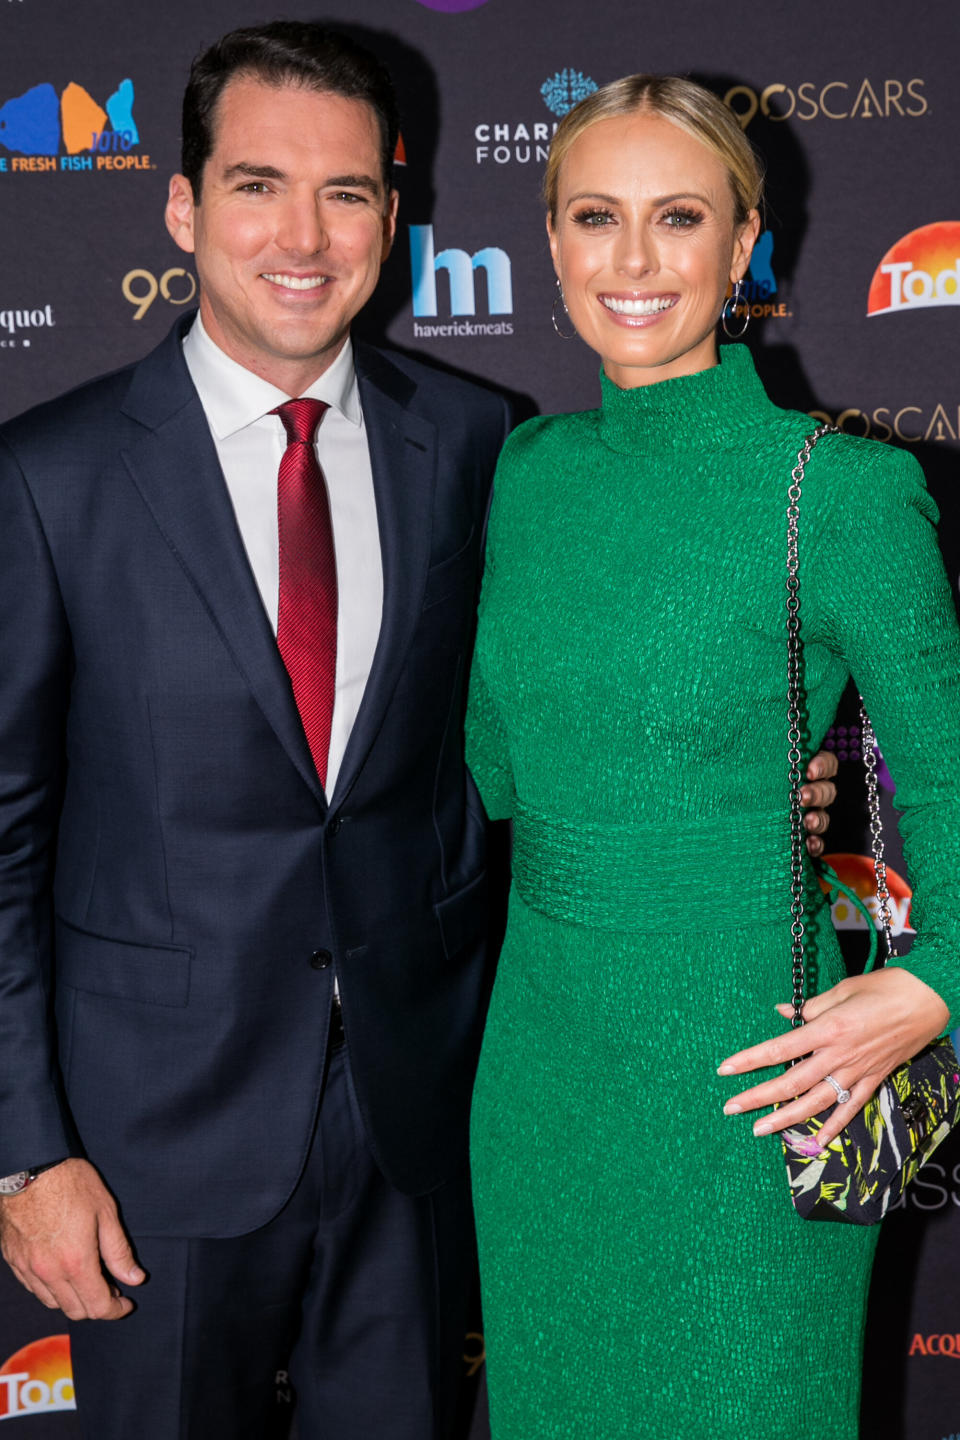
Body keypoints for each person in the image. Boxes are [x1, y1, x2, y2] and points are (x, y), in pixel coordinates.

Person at [0, 21, 511, 1440]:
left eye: (347, 191)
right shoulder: (47, 481)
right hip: (151, 1141)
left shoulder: (476, 443)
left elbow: (506, 757)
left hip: (417, 1121)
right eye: (256, 184)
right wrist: (22, 1155)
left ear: (394, 217)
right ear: (182, 206)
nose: (305, 233)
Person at [465, 74, 960, 1440]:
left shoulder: (842, 490)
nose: (633, 262)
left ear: (746, 243)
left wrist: (936, 985)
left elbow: (951, 774)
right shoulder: (525, 474)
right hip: (543, 1078)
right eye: (595, 218)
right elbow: (495, 775)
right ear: (549, 241)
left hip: (754, 1079)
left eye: (677, 218)